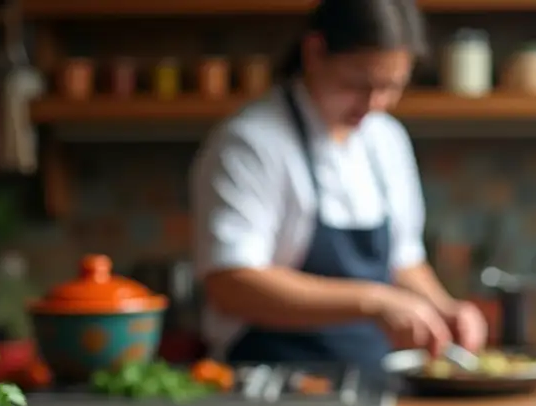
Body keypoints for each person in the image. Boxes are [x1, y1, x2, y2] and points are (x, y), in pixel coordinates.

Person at [191, 0, 487, 369]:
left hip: (375, 375)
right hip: (271, 378)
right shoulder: (250, 143)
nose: (375, 103)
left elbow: (404, 261)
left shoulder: (386, 139)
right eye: (359, 84)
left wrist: (445, 309)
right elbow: (231, 284)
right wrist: (374, 301)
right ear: (315, 53)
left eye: (391, 87)